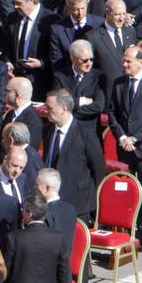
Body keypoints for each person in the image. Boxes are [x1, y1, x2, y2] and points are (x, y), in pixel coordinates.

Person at [107, 45, 142, 250]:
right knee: (124, 190)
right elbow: (112, 112)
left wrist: (135, 139)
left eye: (128, 61)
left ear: (141, 62)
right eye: (123, 60)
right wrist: (122, 136)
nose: (124, 64)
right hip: (124, 147)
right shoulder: (119, 83)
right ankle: (124, 233)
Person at [42, 89, 105, 218]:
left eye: (50, 108)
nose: (45, 111)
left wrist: (88, 193)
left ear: (64, 108)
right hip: (51, 201)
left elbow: (98, 167)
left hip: (78, 203)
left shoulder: (85, 133)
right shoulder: (48, 131)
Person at [2, 0, 60, 100]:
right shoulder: (13, 18)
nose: (15, 7)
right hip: (16, 78)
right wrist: (8, 62)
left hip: (39, 80)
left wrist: (41, 63)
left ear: (31, 1)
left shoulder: (51, 20)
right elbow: (6, 45)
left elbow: (57, 53)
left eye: (19, 3)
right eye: (14, 3)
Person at [53, 39, 105, 140]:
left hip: (90, 132)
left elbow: (98, 106)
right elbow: (59, 103)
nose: (89, 63)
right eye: (84, 60)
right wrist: (83, 101)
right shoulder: (60, 76)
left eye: (91, 59)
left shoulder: (99, 77)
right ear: (73, 59)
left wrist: (70, 111)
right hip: (67, 132)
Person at [86, 0, 138, 89]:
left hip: (129, 90)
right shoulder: (93, 37)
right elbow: (90, 70)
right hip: (106, 91)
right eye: (117, 14)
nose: (122, 19)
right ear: (107, 13)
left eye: (123, 14)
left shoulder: (130, 32)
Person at [48, 0, 105, 72]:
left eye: (83, 8)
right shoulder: (57, 29)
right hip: (69, 77)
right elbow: (56, 60)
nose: (80, 13)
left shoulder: (99, 23)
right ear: (69, 8)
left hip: (94, 77)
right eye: (76, 9)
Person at [0, 77, 42, 158]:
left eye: (7, 91)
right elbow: (0, 141)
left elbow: (28, 152)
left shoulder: (33, 121)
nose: (4, 93)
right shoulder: (10, 114)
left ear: (17, 95)